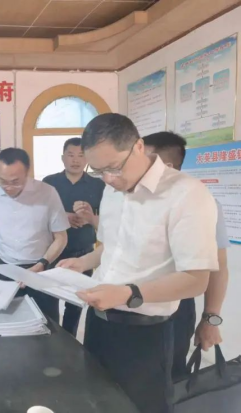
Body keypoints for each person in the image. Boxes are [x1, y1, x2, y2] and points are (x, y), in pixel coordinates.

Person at [58, 114, 218, 413]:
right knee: (97, 402)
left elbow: (196, 278)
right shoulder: (111, 191)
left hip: (145, 333)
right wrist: (81, 263)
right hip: (98, 322)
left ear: (139, 147)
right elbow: (112, 248)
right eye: (98, 171)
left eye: (114, 167)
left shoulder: (186, 193)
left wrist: (127, 293)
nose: (108, 179)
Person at [144, 131, 230, 379]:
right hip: (129, 304)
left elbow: (218, 267)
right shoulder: (133, 199)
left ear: (166, 166)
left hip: (175, 309)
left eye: (143, 159)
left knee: (169, 377)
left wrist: (210, 319)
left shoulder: (202, 203)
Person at [0, 148, 69, 322]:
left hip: (41, 269)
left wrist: (42, 263)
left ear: (27, 173)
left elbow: (61, 237)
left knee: (47, 323)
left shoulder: (47, 193)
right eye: (2, 181)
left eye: (15, 182)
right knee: (6, 323)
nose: (9, 187)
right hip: (5, 270)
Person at [43, 138, 105, 336]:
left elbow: (107, 219)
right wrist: (64, 218)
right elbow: (39, 215)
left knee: (76, 301)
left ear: (87, 159)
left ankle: (69, 340)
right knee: (49, 300)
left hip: (84, 253)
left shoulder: (98, 185)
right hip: (53, 251)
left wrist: (89, 218)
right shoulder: (49, 182)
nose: (76, 160)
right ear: (63, 158)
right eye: (71, 155)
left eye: (81, 155)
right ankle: (52, 340)